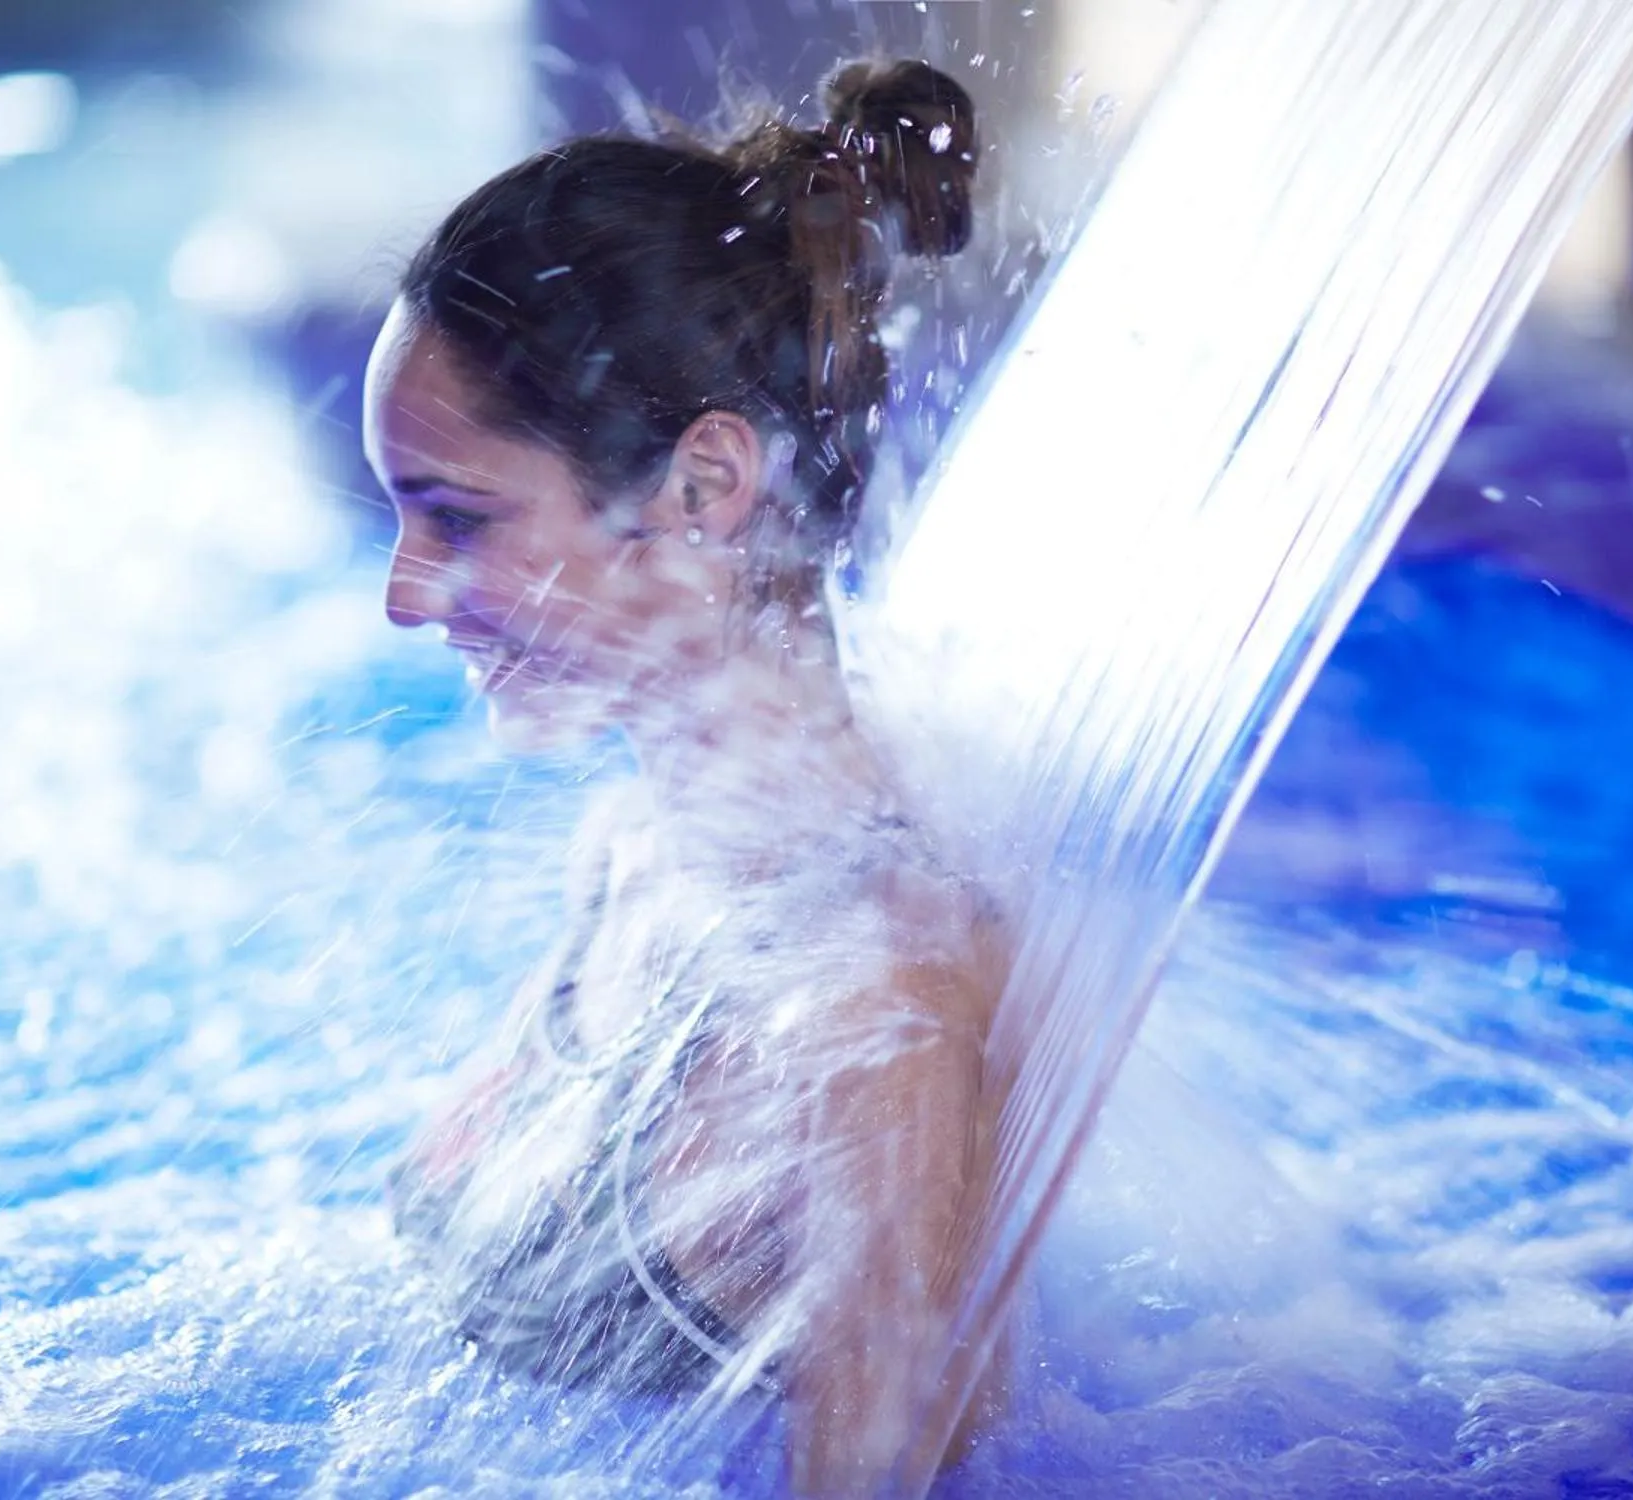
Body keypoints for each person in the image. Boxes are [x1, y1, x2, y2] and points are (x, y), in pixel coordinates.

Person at [362, 59, 1009, 1494]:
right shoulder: (638, 845)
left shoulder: (871, 1019)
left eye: (458, 521)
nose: (406, 598)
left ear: (708, 487)